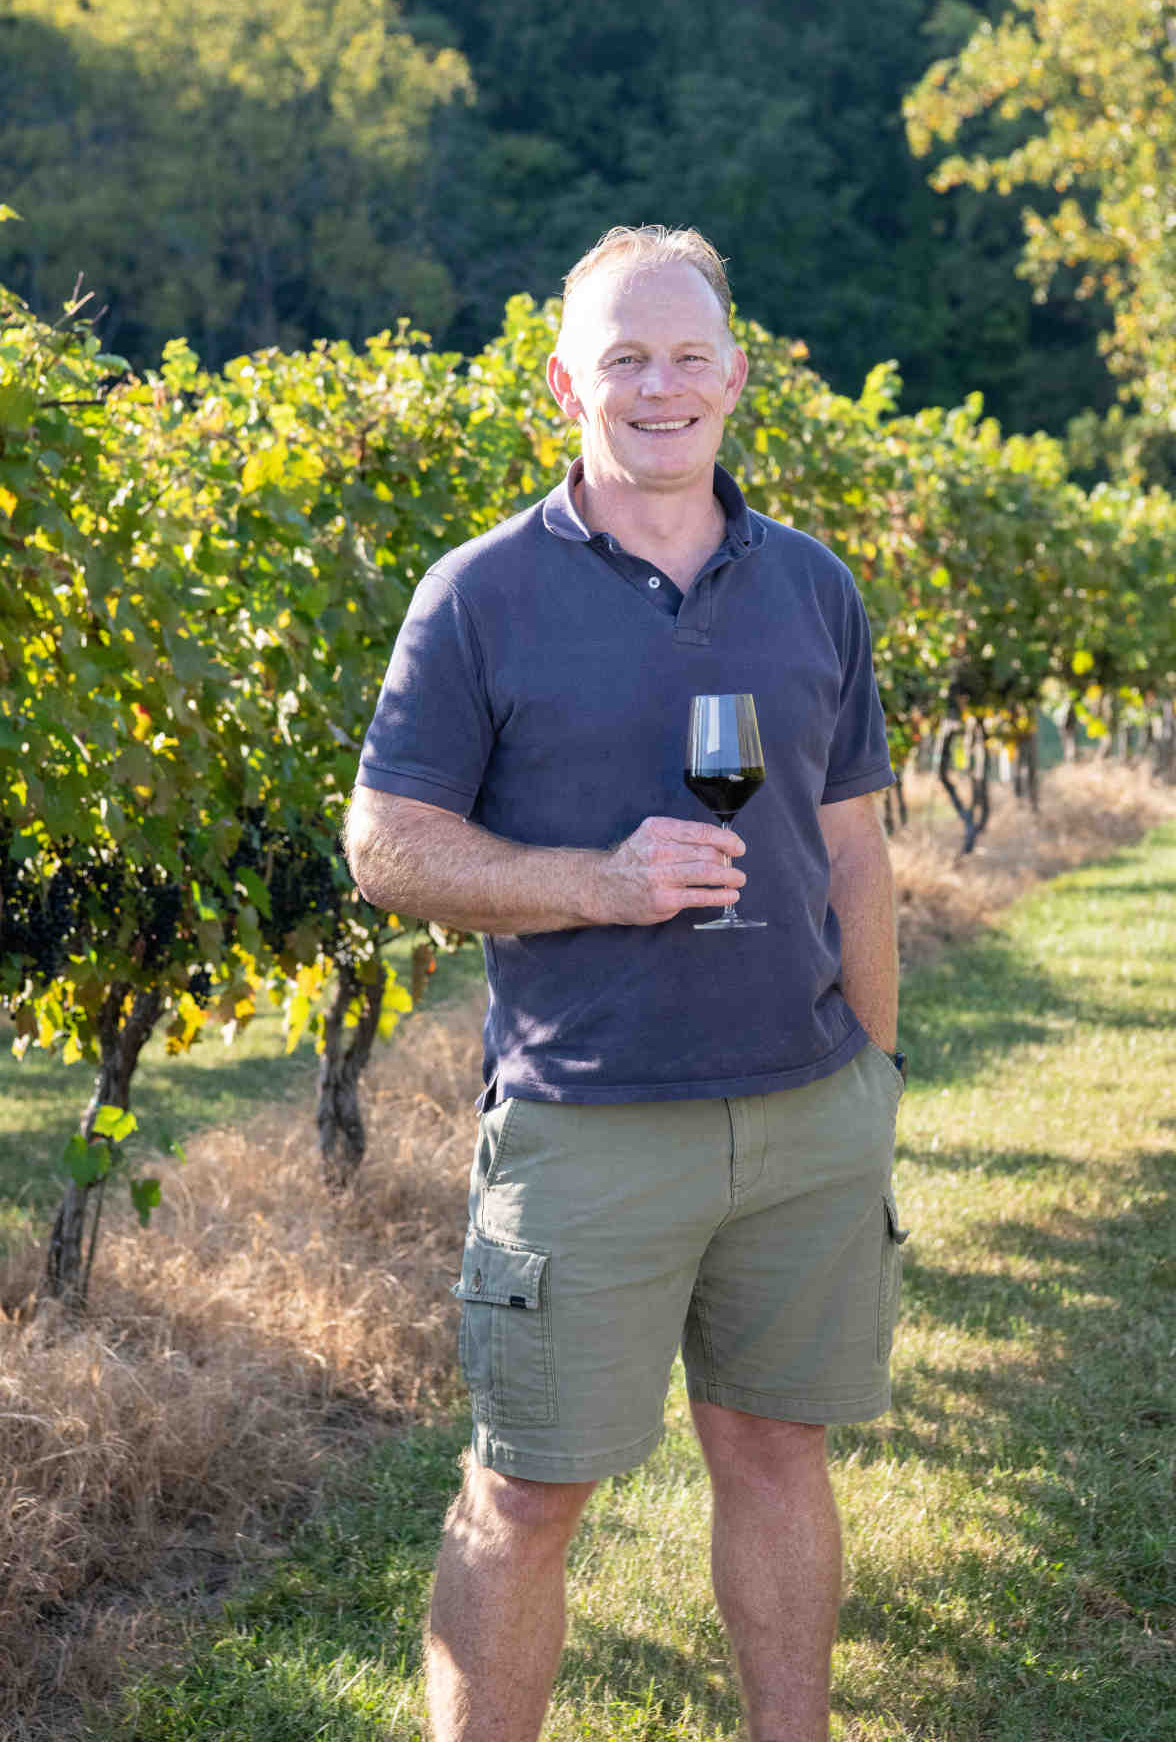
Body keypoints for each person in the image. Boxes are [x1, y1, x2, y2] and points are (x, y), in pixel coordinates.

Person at [344, 225, 905, 1742]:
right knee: (526, 1494)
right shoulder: (477, 596)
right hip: (586, 1129)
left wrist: (875, 1071)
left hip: (807, 1119)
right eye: (623, 359)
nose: (658, 387)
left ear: (734, 375)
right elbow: (385, 848)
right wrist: (596, 885)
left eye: (685, 356)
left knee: (781, 1453)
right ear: (564, 384)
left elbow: (853, 847)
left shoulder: (810, 585)